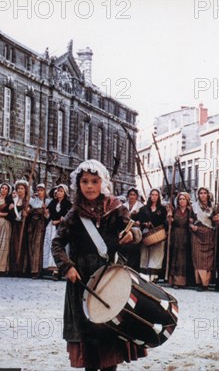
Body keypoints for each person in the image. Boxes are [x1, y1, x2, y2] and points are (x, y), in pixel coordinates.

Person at [51, 159, 144, 371]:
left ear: (103, 182)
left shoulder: (116, 208)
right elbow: (57, 243)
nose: (90, 186)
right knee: (89, 334)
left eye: (94, 181)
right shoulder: (74, 214)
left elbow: (136, 231)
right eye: (85, 181)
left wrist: (132, 234)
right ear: (78, 184)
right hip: (82, 281)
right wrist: (67, 266)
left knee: (111, 330)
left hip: (110, 278)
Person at [136, 188, 167, 283]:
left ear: (158, 197)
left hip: (158, 233)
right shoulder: (143, 209)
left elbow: (164, 221)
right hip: (146, 233)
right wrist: (143, 223)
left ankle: (154, 275)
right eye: (152, 195)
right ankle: (144, 275)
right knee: (144, 254)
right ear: (150, 196)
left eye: (156, 195)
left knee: (157, 254)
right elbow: (139, 220)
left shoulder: (162, 209)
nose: (154, 196)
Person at [190, 187, 218, 290]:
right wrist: (192, 225)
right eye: (200, 193)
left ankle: (206, 283)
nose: (202, 195)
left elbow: (216, 223)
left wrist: (217, 219)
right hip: (197, 233)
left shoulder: (213, 207)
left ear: (208, 194)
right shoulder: (194, 207)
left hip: (208, 234)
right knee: (197, 259)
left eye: (204, 193)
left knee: (207, 260)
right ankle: (199, 282)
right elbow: (190, 219)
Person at [43, 184, 71, 280]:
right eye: (58, 191)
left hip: (61, 228)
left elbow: (69, 217)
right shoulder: (52, 203)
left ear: (65, 193)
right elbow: (49, 216)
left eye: (61, 191)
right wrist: (46, 214)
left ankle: (59, 270)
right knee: (52, 246)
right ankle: (53, 269)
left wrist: (60, 221)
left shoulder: (68, 204)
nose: (59, 193)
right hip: (52, 227)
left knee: (60, 247)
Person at [167, 192, 193, 288]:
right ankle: (174, 280)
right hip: (175, 234)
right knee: (175, 256)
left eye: (184, 199)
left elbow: (192, 221)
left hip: (186, 235)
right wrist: (169, 219)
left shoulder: (190, 211)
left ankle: (183, 281)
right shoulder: (174, 211)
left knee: (183, 258)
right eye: (180, 199)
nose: (182, 201)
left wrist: (191, 222)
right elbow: (168, 224)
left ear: (187, 201)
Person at [28, 183, 50, 278]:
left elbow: (48, 216)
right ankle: (31, 268)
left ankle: (37, 270)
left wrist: (45, 211)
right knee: (31, 245)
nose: (40, 192)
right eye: (38, 190)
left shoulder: (48, 201)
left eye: (42, 190)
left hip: (41, 225)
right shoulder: (33, 201)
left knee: (38, 246)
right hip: (32, 225)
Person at [10, 180, 29, 275]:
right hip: (16, 226)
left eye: (22, 188)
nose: (20, 190)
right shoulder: (14, 201)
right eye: (18, 188)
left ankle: (23, 268)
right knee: (15, 245)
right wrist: (10, 209)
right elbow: (11, 215)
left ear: (25, 190)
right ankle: (14, 268)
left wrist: (27, 213)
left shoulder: (28, 201)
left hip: (24, 226)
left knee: (23, 245)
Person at [123, 187, 144, 272]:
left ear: (136, 196)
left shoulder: (141, 206)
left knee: (135, 251)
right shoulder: (124, 206)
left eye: (134, 195)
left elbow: (144, 218)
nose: (132, 196)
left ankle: (133, 270)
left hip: (136, 231)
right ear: (128, 196)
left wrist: (139, 221)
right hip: (125, 230)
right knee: (125, 250)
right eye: (130, 194)